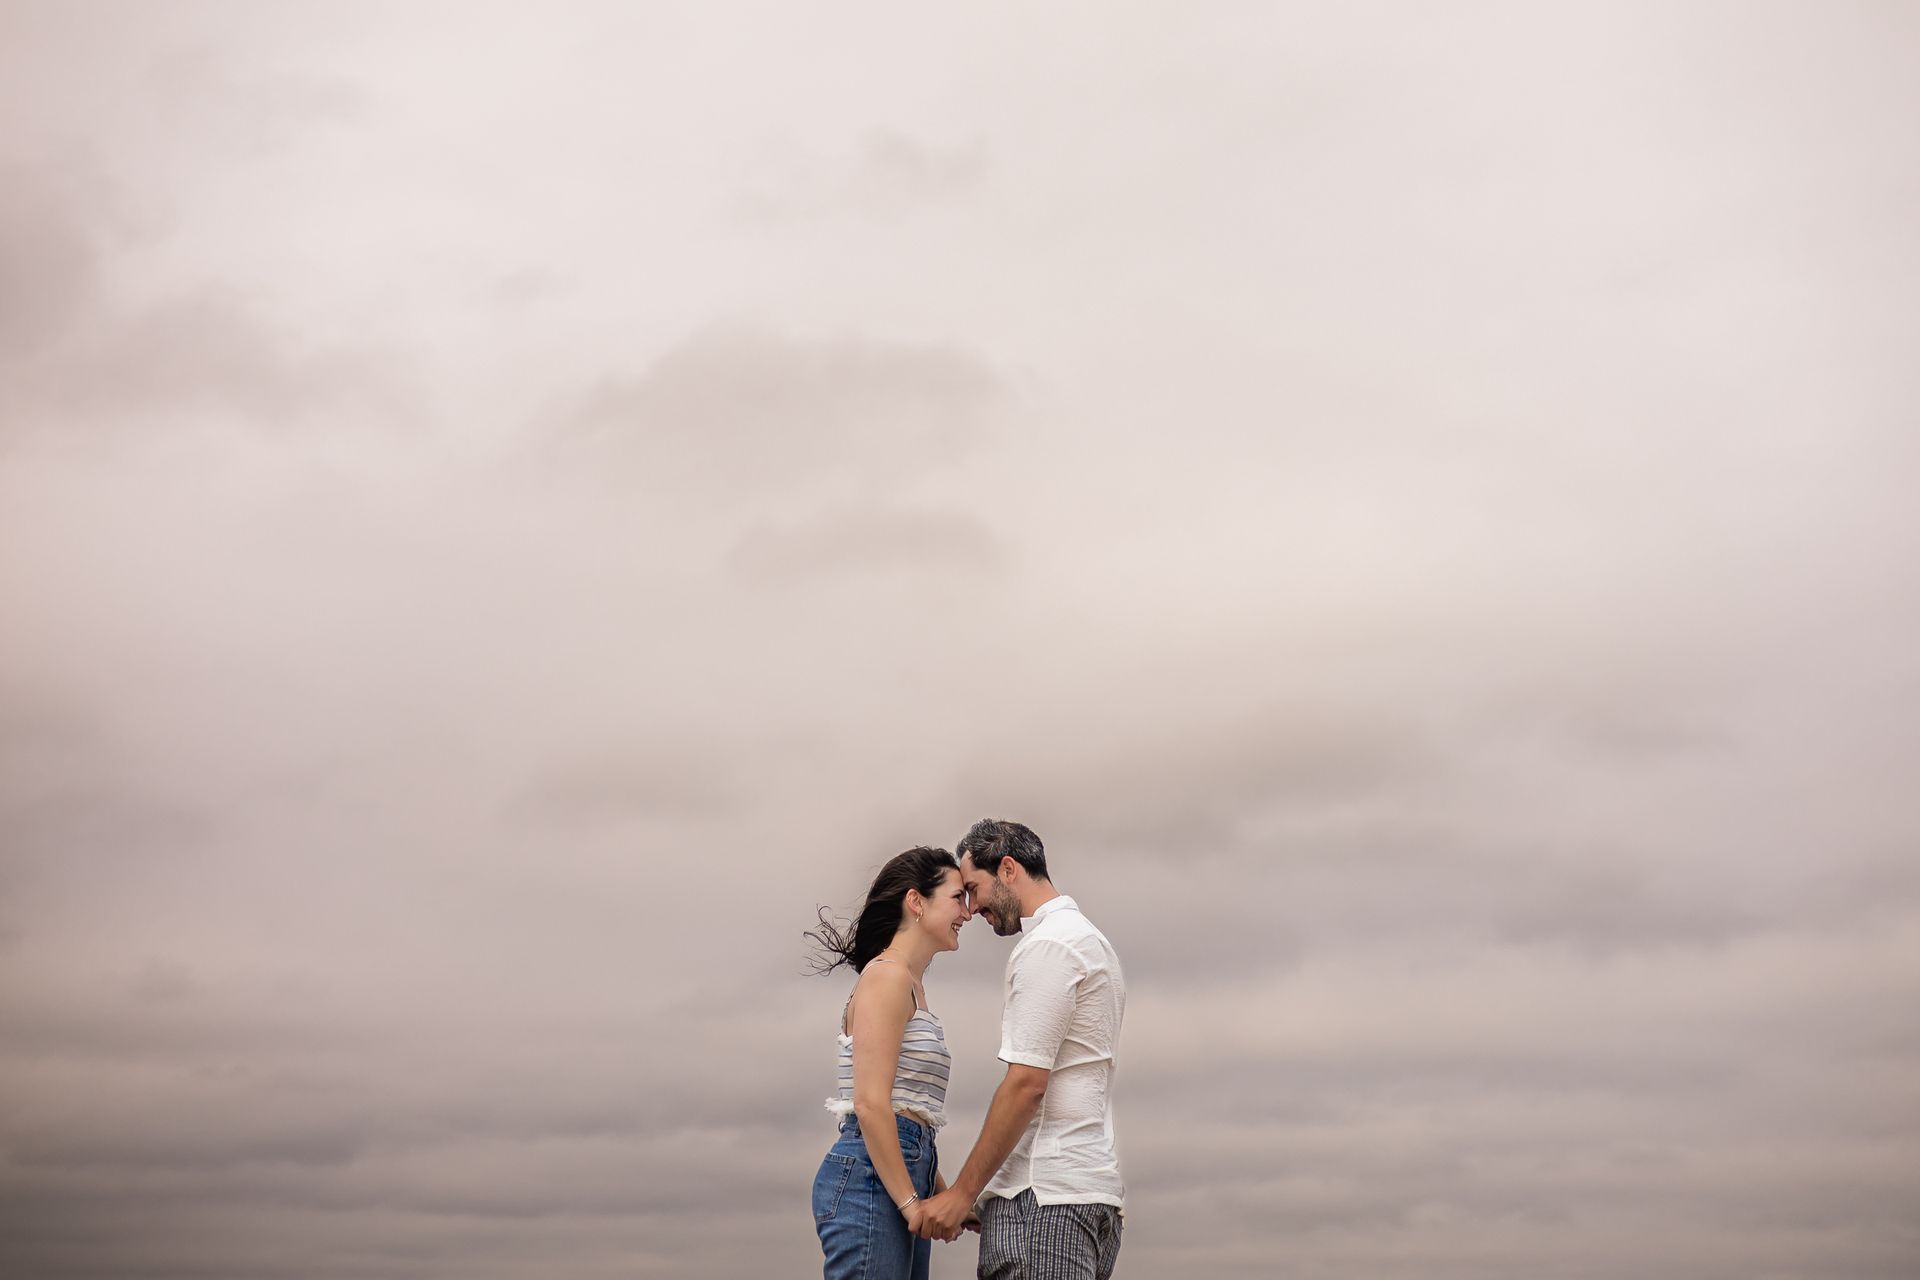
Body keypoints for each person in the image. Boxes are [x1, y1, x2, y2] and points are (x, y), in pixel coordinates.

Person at [914, 820, 1127, 1280]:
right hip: (1086, 1193)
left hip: (1042, 1198)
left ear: (1008, 869)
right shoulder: (1091, 941)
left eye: (974, 888)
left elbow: (1027, 1085)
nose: (971, 909)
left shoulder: (1048, 946)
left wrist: (961, 1194)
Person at [807, 846, 977, 1279]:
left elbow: (911, 1111)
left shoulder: (912, 986)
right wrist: (909, 1202)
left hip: (896, 1174)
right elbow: (870, 1104)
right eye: (959, 898)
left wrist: (944, 1198)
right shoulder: (887, 977)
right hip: (868, 1178)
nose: (969, 913)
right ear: (916, 901)